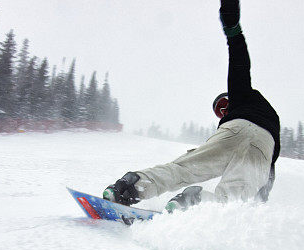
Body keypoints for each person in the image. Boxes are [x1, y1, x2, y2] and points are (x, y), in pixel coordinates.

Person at [104, 0, 280, 212]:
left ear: (231, 98)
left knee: (184, 169)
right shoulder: (267, 115)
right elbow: (267, 174)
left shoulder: (242, 94)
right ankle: (192, 204)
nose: (223, 112)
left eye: (224, 106)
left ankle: (130, 187)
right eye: (219, 111)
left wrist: (232, 29)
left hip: (236, 131)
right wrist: (261, 199)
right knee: (233, 201)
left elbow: (239, 64)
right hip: (264, 147)